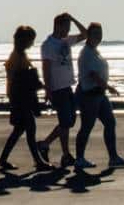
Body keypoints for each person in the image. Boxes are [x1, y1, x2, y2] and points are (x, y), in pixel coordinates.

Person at [73, 22, 124, 168]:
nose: (98, 36)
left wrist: (105, 88)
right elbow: (93, 75)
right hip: (89, 95)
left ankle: (113, 157)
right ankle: (79, 158)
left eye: (100, 33)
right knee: (87, 126)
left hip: (100, 94)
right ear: (89, 35)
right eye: (95, 34)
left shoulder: (95, 51)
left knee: (110, 123)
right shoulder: (86, 53)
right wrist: (109, 87)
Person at [0, 25, 54, 171]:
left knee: (19, 130)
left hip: (18, 97)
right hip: (20, 98)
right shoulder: (18, 56)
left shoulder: (19, 54)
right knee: (30, 128)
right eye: (31, 40)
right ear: (25, 40)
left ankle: (3, 160)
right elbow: (22, 79)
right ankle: (38, 161)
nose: (32, 43)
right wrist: (41, 85)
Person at [37, 12, 86, 167]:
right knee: (65, 122)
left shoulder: (66, 40)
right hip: (57, 88)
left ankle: (45, 144)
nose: (68, 30)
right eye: (66, 26)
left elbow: (84, 34)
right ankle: (65, 154)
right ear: (58, 26)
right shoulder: (48, 45)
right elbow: (46, 68)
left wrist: (73, 18)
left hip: (68, 86)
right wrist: (48, 90)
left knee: (69, 121)